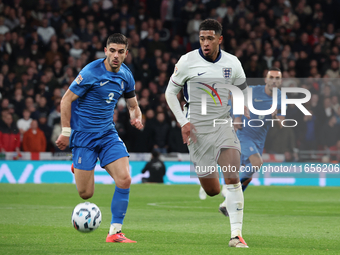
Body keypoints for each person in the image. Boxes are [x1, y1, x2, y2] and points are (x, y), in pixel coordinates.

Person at [165, 19, 250, 248]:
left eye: (210, 38)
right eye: (202, 38)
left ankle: (236, 235)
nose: (205, 42)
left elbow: (241, 90)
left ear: (219, 39)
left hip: (223, 124)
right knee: (211, 190)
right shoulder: (187, 62)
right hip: (197, 130)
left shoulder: (232, 63)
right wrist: (183, 122)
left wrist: (241, 112)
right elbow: (170, 93)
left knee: (233, 175)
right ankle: (224, 194)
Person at [55, 33, 143, 243]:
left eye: (120, 52)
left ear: (126, 54)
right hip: (84, 137)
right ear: (105, 51)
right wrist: (66, 131)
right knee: (86, 194)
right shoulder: (90, 72)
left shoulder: (126, 75)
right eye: (112, 50)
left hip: (107, 134)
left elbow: (133, 104)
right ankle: (78, 167)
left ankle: (114, 232)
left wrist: (135, 116)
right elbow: (66, 100)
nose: (115, 55)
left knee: (125, 179)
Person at [219, 67, 285, 216]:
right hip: (244, 134)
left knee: (249, 175)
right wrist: (236, 117)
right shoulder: (253, 91)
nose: (274, 81)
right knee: (257, 163)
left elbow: (282, 123)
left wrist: (276, 116)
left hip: (259, 140)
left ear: (280, 81)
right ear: (266, 79)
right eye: (271, 77)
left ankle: (227, 203)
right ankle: (227, 188)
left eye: (277, 78)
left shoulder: (281, 97)